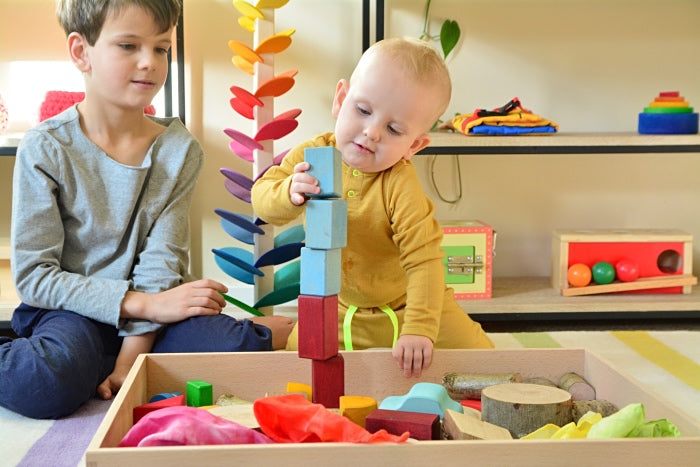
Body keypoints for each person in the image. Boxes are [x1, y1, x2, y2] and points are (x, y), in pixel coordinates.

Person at [0, 0, 292, 420]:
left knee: (238, 348)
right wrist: (144, 306)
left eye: (161, 48)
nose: (149, 63)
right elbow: (34, 277)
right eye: (128, 46)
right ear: (81, 52)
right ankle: (76, 363)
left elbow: (160, 263)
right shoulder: (45, 147)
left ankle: (106, 363)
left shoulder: (179, 149)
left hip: (156, 310)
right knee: (47, 381)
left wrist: (128, 364)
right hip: (71, 313)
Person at [251, 37, 494, 379]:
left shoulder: (399, 183)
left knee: (488, 363)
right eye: (363, 111)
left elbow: (424, 260)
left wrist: (419, 329)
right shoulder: (313, 155)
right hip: (337, 305)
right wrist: (288, 191)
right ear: (340, 99)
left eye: (394, 129)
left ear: (415, 145)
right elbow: (262, 199)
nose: (371, 132)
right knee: (294, 371)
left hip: (409, 302)